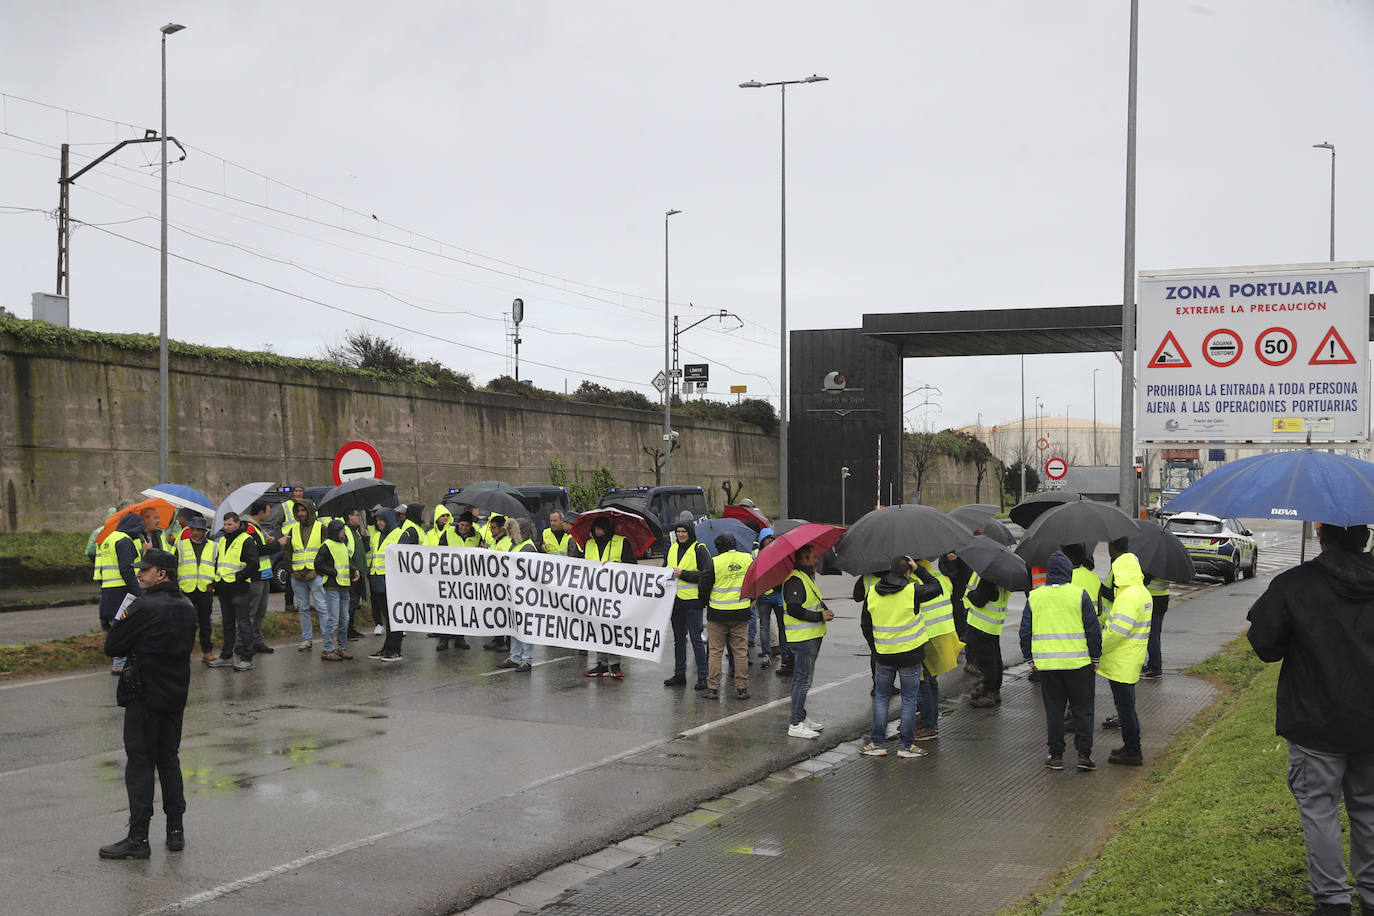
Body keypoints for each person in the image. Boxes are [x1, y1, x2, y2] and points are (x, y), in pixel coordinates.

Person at [1247, 522, 1374, 916]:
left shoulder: (1293, 583)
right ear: (1364, 539)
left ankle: (1333, 900)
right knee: (1369, 808)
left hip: (1313, 719)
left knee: (1319, 808)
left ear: (1322, 537)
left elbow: (1266, 646)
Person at [98, 548, 197, 860]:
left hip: (144, 694)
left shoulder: (144, 606)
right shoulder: (187, 605)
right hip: (175, 694)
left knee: (140, 763)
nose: (140, 574)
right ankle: (175, 831)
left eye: (145, 570)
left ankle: (138, 837)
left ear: (162, 574)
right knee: (169, 759)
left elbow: (112, 645)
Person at [1019, 550, 1102, 772]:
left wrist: (1029, 658)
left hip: (1048, 666)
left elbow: (1025, 631)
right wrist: (1095, 658)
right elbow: (1093, 630)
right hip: (1079, 664)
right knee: (1083, 710)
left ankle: (1055, 755)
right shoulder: (1079, 594)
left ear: (1048, 574)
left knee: (1054, 711)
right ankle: (1084, 754)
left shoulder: (1035, 596)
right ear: (1068, 573)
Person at [860, 555, 941, 758]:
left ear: (889, 570)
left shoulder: (872, 593)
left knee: (881, 698)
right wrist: (919, 570)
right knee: (909, 699)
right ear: (907, 572)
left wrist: (876, 646)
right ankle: (905, 746)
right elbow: (936, 587)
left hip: (884, 655)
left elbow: (865, 625)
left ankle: (878, 743)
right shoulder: (912, 591)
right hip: (910, 655)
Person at [1097, 542, 1153, 766]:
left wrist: (1097, 649)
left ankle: (1133, 751)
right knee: (1126, 707)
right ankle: (1130, 746)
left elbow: (1117, 632)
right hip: (1132, 658)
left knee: (1125, 709)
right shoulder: (1142, 592)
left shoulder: (1129, 596)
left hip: (1122, 660)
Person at [783, 544, 835, 739]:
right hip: (803, 639)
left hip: (809, 637)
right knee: (802, 681)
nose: (817, 559)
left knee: (803, 679)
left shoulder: (805, 577)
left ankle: (801, 717)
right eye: (814, 557)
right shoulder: (796, 580)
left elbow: (810, 602)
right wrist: (820, 616)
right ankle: (796, 724)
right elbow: (795, 609)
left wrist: (824, 612)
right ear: (804, 558)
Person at [583, 518, 636, 678]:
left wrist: (614, 565)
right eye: (596, 529)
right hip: (594, 594)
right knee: (598, 628)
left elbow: (632, 566)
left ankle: (615, 664)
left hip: (615, 595)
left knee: (613, 629)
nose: (598, 533)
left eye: (601, 529)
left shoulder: (621, 542)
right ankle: (602, 664)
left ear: (607, 529)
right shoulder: (589, 544)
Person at [703, 532, 753, 700]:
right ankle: (741, 688)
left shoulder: (714, 562)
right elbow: (755, 582)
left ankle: (712, 689)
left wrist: (707, 603)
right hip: (741, 612)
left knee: (715, 651)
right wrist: (749, 600)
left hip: (717, 614)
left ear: (718, 547)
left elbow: (704, 586)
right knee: (740, 652)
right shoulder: (747, 559)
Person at [207, 512, 260, 672]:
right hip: (224, 588)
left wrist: (239, 577)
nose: (227, 527)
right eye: (225, 524)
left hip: (239, 588)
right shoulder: (223, 540)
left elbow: (253, 564)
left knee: (243, 624)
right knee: (228, 624)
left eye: (230, 524)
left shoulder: (246, 540)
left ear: (238, 523)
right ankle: (226, 656)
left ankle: (247, 658)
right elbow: (219, 563)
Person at [662, 520, 710, 690]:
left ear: (690, 533)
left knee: (696, 639)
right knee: (679, 640)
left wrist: (683, 574)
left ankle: (703, 676)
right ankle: (679, 674)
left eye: (684, 531)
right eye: (678, 531)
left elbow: (706, 574)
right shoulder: (673, 548)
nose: (681, 534)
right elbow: (664, 569)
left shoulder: (699, 549)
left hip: (692, 602)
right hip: (675, 602)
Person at [96, 513, 145, 674]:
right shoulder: (124, 540)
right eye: (138, 530)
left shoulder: (110, 539)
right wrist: (138, 592)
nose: (139, 533)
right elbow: (126, 569)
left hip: (109, 588)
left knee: (116, 625)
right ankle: (120, 661)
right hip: (122, 589)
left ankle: (120, 660)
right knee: (124, 625)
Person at [913, 557, 956, 741]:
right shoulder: (939, 576)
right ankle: (930, 717)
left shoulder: (914, 582)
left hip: (926, 637)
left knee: (923, 681)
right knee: (932, 680)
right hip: (944, 635)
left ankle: (929, 725)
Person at [281, 499, 326, 652]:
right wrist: (291, 571)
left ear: (309, 511)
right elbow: (288, 551)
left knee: (321, 608)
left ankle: (327, 641)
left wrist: (321, 571)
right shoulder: (293, 529)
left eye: (303, 510)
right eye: (298, 511)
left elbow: (326, 550)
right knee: (303, 609)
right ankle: (307, 640)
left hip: (315, 574)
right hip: (298, 575)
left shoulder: (321, 528)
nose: (300, 514)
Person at [965, 569, 1013, 708]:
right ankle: (993, 689)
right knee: (994, 659)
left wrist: (970, 594)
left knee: (986, 661)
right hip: (992, 626)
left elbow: (979, 599)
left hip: (981, 626)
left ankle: (989, 693)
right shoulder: (1003, 576)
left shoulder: (989, 577)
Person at [173, 515, 216, 663]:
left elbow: (218, 566)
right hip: (186, 589)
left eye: (199, 530)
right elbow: (173, 567)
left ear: (204, 531)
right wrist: (176, 585)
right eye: (193, 530)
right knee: (186, 624)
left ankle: (207, 652)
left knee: (205, 623)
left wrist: (214, 584)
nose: (195, 532)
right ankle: (184, 652)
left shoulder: (214, 546)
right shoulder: (180, 545)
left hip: (205, 589)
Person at [497, 518, 539, 671]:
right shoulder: (516, 545)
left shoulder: (527, 547)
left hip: (525, 594)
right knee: (514, 626)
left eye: (512, 531)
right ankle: (515, 657)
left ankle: (526, 660)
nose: (510, 534)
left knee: (525, 626)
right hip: (515, 592)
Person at [314, 518, 358, 660]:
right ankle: (327, 650)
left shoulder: (342, 544)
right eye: (342, 530)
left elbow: (345, 561)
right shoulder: (326, 545)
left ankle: (342, 648)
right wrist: (333, 572)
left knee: (344, 619)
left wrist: (353, 569)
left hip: (344, 586)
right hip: (333, 586)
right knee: (333, 619)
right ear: (335, 532)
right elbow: (318, 564)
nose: (344, 532)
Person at [367, 507, 406, 662]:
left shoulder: (400, 535)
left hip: (392, 582)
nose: (378, 523)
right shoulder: (377, 536)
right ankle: (387, 647)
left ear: (388, 519)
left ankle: (395, 649)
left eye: (381, 519)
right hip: (378, 582)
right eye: (377, 520)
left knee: (394, 617)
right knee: (386, 617)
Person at [247, 500, 282, 655]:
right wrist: (278, 544)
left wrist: (268, 541)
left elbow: (260, 547)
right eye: (268, 511)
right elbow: (257, 550)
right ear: (260, 512)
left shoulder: (257, 527)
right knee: (251, 612)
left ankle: (257, 641)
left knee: (260, 612)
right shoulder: (249, 528)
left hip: (264, 573)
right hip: (256, 575)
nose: (269, 514)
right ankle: (243, 643)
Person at [481, 515, 514, 653]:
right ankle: (498, 638)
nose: (491, 531)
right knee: (497, 612)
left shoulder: (508, 542)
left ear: (502, 528)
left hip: (506, 583)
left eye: (494, 528)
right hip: (495, 582)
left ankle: (508, 642)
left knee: (507, 612)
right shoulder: (495, 541)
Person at [753, 528, 784, 670]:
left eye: (772, 537)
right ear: (761, 540)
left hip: (778, 596)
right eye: (767, 538)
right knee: (764, 626)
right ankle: (766, 653)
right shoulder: (756, 555)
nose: (770, 540)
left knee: (782, 626)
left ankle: (785, 653)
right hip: (764, 597)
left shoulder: (780, 553)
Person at [343, 507, 370, 641]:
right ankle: (347, 630)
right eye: (357, 515)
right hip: (352, 573)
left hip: (359, 572)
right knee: (351, 602)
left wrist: (366, 538)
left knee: (355, 603)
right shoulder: (346, 531)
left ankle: (351, 629)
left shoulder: (356, 532)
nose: (359, 517)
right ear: (350, 517)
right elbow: (344, 554)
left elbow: (364, 550)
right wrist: (353, 569)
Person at [1141, 572, 1170, 679]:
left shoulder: (1151, 564)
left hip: (1152, 597)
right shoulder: (1166, 561)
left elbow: (1145, 580)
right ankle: (1153, 665)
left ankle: (1155, 668)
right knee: (1156, 634)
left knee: (1152, 635)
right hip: (1163, 597)